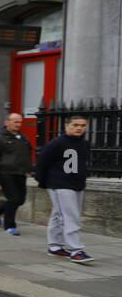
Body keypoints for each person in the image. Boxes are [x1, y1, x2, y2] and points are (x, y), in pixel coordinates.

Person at [36, 113, 93, 264]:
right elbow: (41, 162)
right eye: (75, 125)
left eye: (82, 125)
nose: (79, 128)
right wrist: (42, 181)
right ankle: (76, 250)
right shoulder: (57, 143)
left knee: (58, 215)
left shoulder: (84, 144)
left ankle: (54, 246)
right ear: (66, 126)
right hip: (60, 184)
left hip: (77, 185)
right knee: (70, 216)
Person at [0, 112, 33, 235]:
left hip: (20, 173)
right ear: (7, 122)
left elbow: (26, 155)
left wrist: (28, 170)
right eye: (15, 122)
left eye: (20, 122)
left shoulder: (23, 137)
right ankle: (9, 226)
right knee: (13, 199)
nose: (18, 124)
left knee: (20, 200)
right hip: (5, 173)